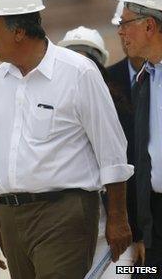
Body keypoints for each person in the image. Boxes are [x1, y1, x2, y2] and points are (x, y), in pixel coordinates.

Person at [0, 0, 133, 279]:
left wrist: (118, 218)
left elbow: (111, 150)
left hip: (64, 215)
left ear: (19, 31)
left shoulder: (78, 73)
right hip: (10, 217)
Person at [58, 26, 144, 277]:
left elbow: (131, 174)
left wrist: (137, 235)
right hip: (65, 232)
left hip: (112, 234)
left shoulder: (121, 111)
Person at [110, 0, 162, 273]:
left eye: (125, 23)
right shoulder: (145, 81)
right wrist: (144, 232)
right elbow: (144, 161)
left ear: (150, 26)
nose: (119, 31)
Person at [108, 1, 146, 106]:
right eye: (119, 25)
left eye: (127, 25)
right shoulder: (106, 79)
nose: (121, 32)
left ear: (149, 26)